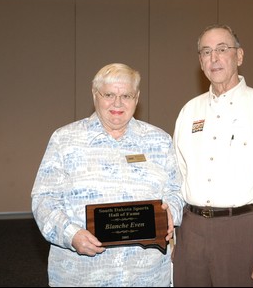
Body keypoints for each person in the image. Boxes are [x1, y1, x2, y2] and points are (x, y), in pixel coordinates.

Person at [31, 63, 184, 287]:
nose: (117, 103)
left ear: (137, 97)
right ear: (95, 95)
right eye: (109, 94)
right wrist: (71, 235)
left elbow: (176, 191)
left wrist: (171, 212)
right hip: (82, 275)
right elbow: (43, 199)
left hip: (146, 276)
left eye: (126, 95)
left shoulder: (159, 141)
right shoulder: (64, 140)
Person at [172, 24, 253, 287]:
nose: (214, 58)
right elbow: (177, 176)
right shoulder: (188, 112)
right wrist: (174, 235)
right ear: (200, 62)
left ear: (239, 56)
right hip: (191, 233)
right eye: (206, 52)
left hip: (242, 230)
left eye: (222, 49)